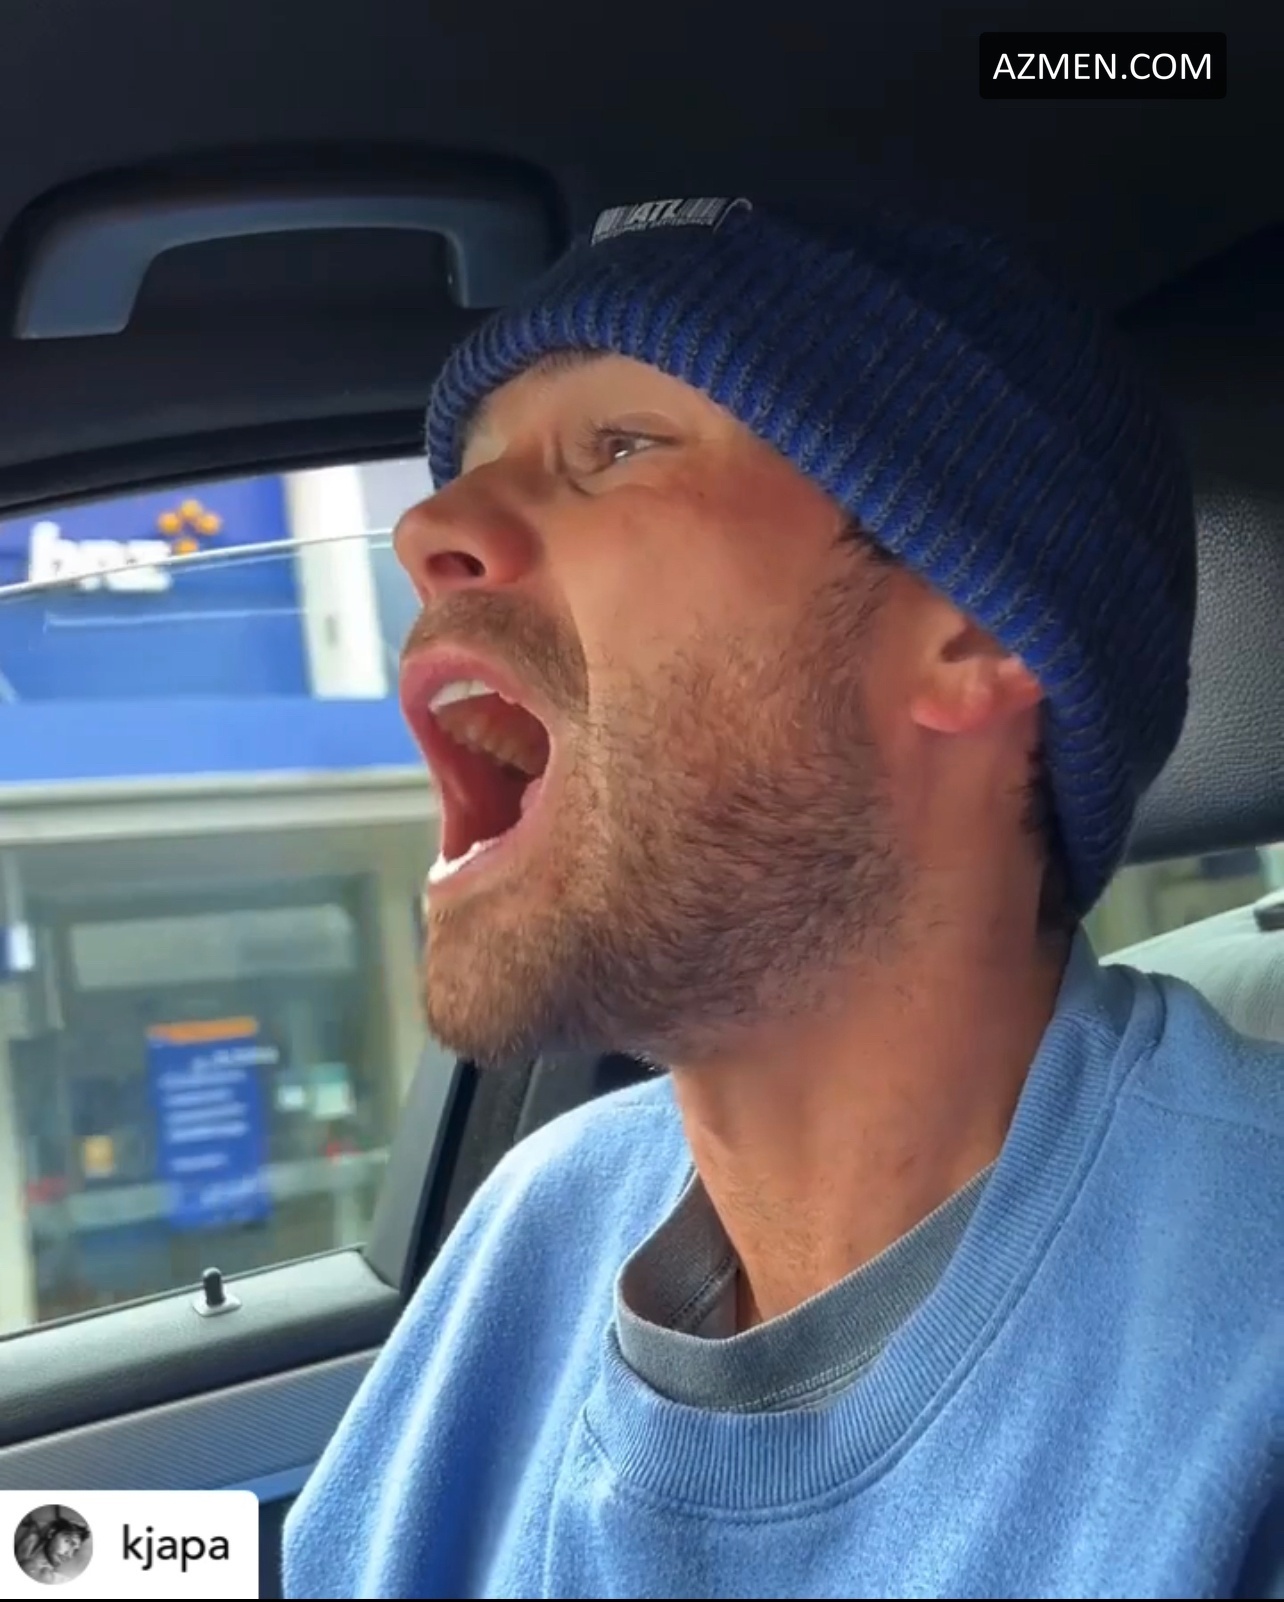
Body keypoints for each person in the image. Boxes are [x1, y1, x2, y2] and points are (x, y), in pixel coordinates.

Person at [283, 199, 1282, 1598]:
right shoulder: (534, 1229)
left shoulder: (1245, 1330)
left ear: (973, 629)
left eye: (618, 445)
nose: (428, 527)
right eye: (470, 468)